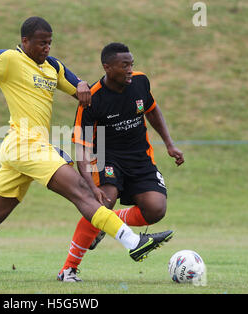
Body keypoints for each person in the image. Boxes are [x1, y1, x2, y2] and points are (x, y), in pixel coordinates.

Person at [0, 17, 173, 281]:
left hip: (28, 151)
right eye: (41, 42)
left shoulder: (53, 67)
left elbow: (82, 90)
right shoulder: (9, 60)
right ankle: (133, 242)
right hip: (24, 143)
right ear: (25, 41)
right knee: (83, 192)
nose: (46, 47)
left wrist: (85, 85)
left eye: (50, 42)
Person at [57, 43, 184, 282]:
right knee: (104, 201)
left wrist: (169, 144)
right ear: (107, 67)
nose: (129, 69)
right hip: (106, 155)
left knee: (156, 209)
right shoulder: (92, 99)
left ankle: (109, 223)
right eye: (124, 65)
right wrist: (90, 186)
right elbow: (82, 150)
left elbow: (153, 111)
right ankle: (68, 269)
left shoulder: (140, 82)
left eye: (131, 64)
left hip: (140, 157)